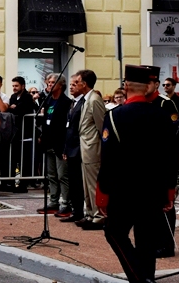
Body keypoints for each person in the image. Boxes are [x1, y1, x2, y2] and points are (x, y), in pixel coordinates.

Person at [100, 65, 175, 283]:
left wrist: (103, 191)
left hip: (124, 188)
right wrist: (169, 190)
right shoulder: (162, 115)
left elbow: (108, 158)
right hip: (153, 188)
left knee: (113, 232)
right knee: (146, 243)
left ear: (127, 86)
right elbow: (170, 156)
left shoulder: (115, 116)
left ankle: (141, 279)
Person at [145, 67, 179, 257]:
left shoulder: (165, 104)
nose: (146, 86)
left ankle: (167, 244)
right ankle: (153, 241)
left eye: (149, 83)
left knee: (165, 204)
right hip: (146, 162)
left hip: (163, 161)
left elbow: (174, 135)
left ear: (156, 85)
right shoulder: (141, 104)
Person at [63, 70, 106, 229]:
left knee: (93, 184)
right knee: (86, 185)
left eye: (77, 82)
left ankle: (98, 216)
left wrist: (103, 148)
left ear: (85, 84)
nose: (75, 84)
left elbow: (102, 127)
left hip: (92, 148)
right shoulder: (86, 100)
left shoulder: (94, 100)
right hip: (84, 148)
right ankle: (89, 214)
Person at [36, 75, 72, 217]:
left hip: (60, 143)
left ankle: (66, 203)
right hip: (48, 142)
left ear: (61, 85)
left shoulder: (66, 102)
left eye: (53, 82)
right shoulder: (48, 101)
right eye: (48, 82)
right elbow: (45, 120)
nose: (50, 85)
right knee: (51, 174)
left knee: (62, 175)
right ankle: (53, 201)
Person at [6, 76, 36, 191]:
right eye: (13, 86)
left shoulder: (27, 97)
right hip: (15, 133)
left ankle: (23, 185)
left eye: (16, 86)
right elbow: (10, 109)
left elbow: (22, 110)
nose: (14, 88)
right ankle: (12, 183)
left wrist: (14, 108)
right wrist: (12, 107)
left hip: (26, 133)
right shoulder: (13, 97)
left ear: (23, 86)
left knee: (24, 161)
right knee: (14, 159)